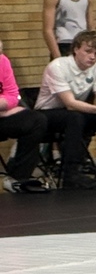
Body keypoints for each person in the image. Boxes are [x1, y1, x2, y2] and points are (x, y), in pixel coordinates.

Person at [34, 30, 96, 189]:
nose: (92, 57)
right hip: (46, 114)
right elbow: (70, 103)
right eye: (88, 51)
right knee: (75, 117)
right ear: (76, 49)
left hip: (75, 112)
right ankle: (72, 173)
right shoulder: (58, 66)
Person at [0, 37, 49, 193]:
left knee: (36, 120)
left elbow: (13, 95)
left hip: (2, 113)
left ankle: (18, 178)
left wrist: (4, 106)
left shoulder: (3, 62)